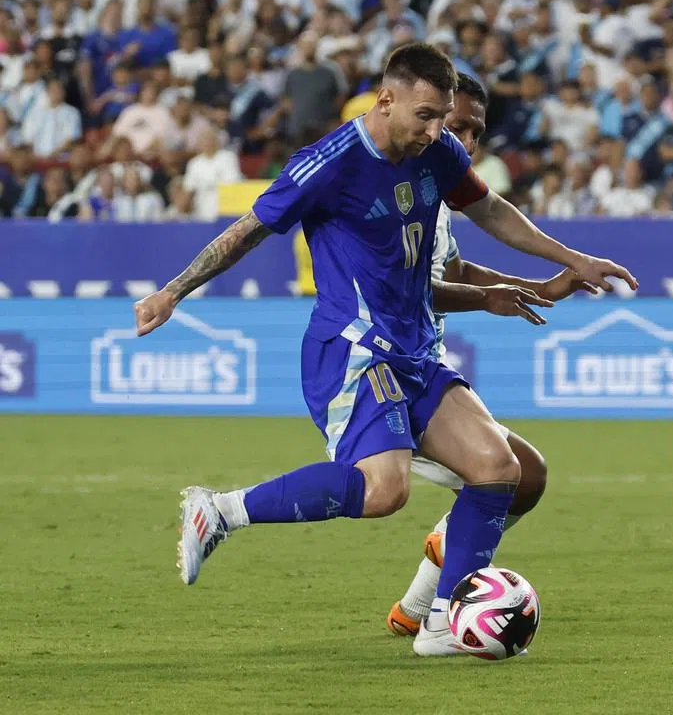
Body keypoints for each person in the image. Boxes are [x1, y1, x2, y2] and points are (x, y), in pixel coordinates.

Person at [132, 44, 637, 656]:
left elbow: (491, 210)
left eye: (444, 117)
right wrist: (173, 291)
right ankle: (220, 512)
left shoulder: (438, 152)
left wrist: (570, 259)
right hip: (352, 350)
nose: (439, 132)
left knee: (502, 469)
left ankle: (440, 622)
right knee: (384, 491)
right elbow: (247, 231)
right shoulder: (330, 163)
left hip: (416, 350)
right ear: (386, 99)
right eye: (427, 116)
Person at [385, 73, 595, 643]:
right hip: (378, 372)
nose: (468, 142)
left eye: (476, 131)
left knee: (524, 475)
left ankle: (420, 601)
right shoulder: (394, 189)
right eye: (458, 127)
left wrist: (538, 288)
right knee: (503, 473)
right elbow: (405, 288)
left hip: (418, 366)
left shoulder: (438, 195)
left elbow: (453, 273)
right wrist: (488, 299)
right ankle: (440, 619)